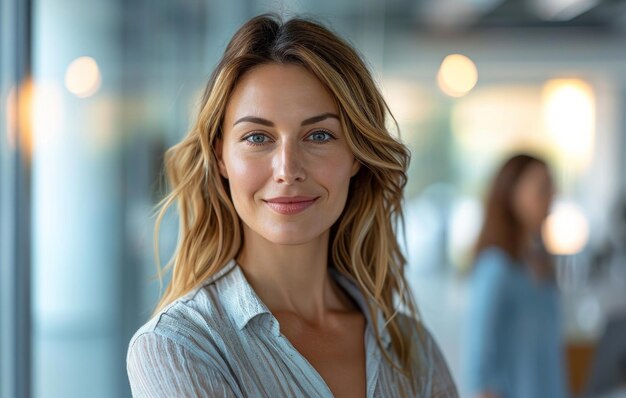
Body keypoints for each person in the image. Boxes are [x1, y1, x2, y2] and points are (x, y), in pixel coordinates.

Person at [126, 13, 458, 398]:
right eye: (257, 137)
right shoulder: (180, 346)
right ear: (220, 157)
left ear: (356, 155)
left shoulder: (412, 348)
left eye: (319, 134)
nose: (287, 169)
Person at [463, 154, 569, 398]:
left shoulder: (540, 265)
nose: (551, 196)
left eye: (552, 187)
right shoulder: (496, 268)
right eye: (542, 188)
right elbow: (478, 364)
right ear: (512, 194)